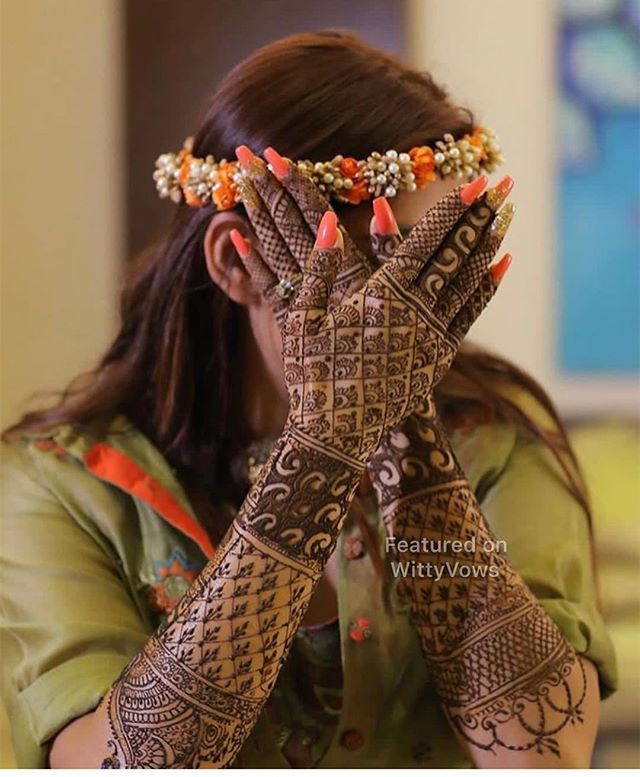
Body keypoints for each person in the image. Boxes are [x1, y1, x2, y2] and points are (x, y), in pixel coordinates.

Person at [0, 31, 616, 768]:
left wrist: (402, 430)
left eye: (445, 261)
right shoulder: (61, 483)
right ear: (238, 262)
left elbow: (543, 757)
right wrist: (321, 446)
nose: (430, 317)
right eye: (396, 269)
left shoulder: (496, 434)